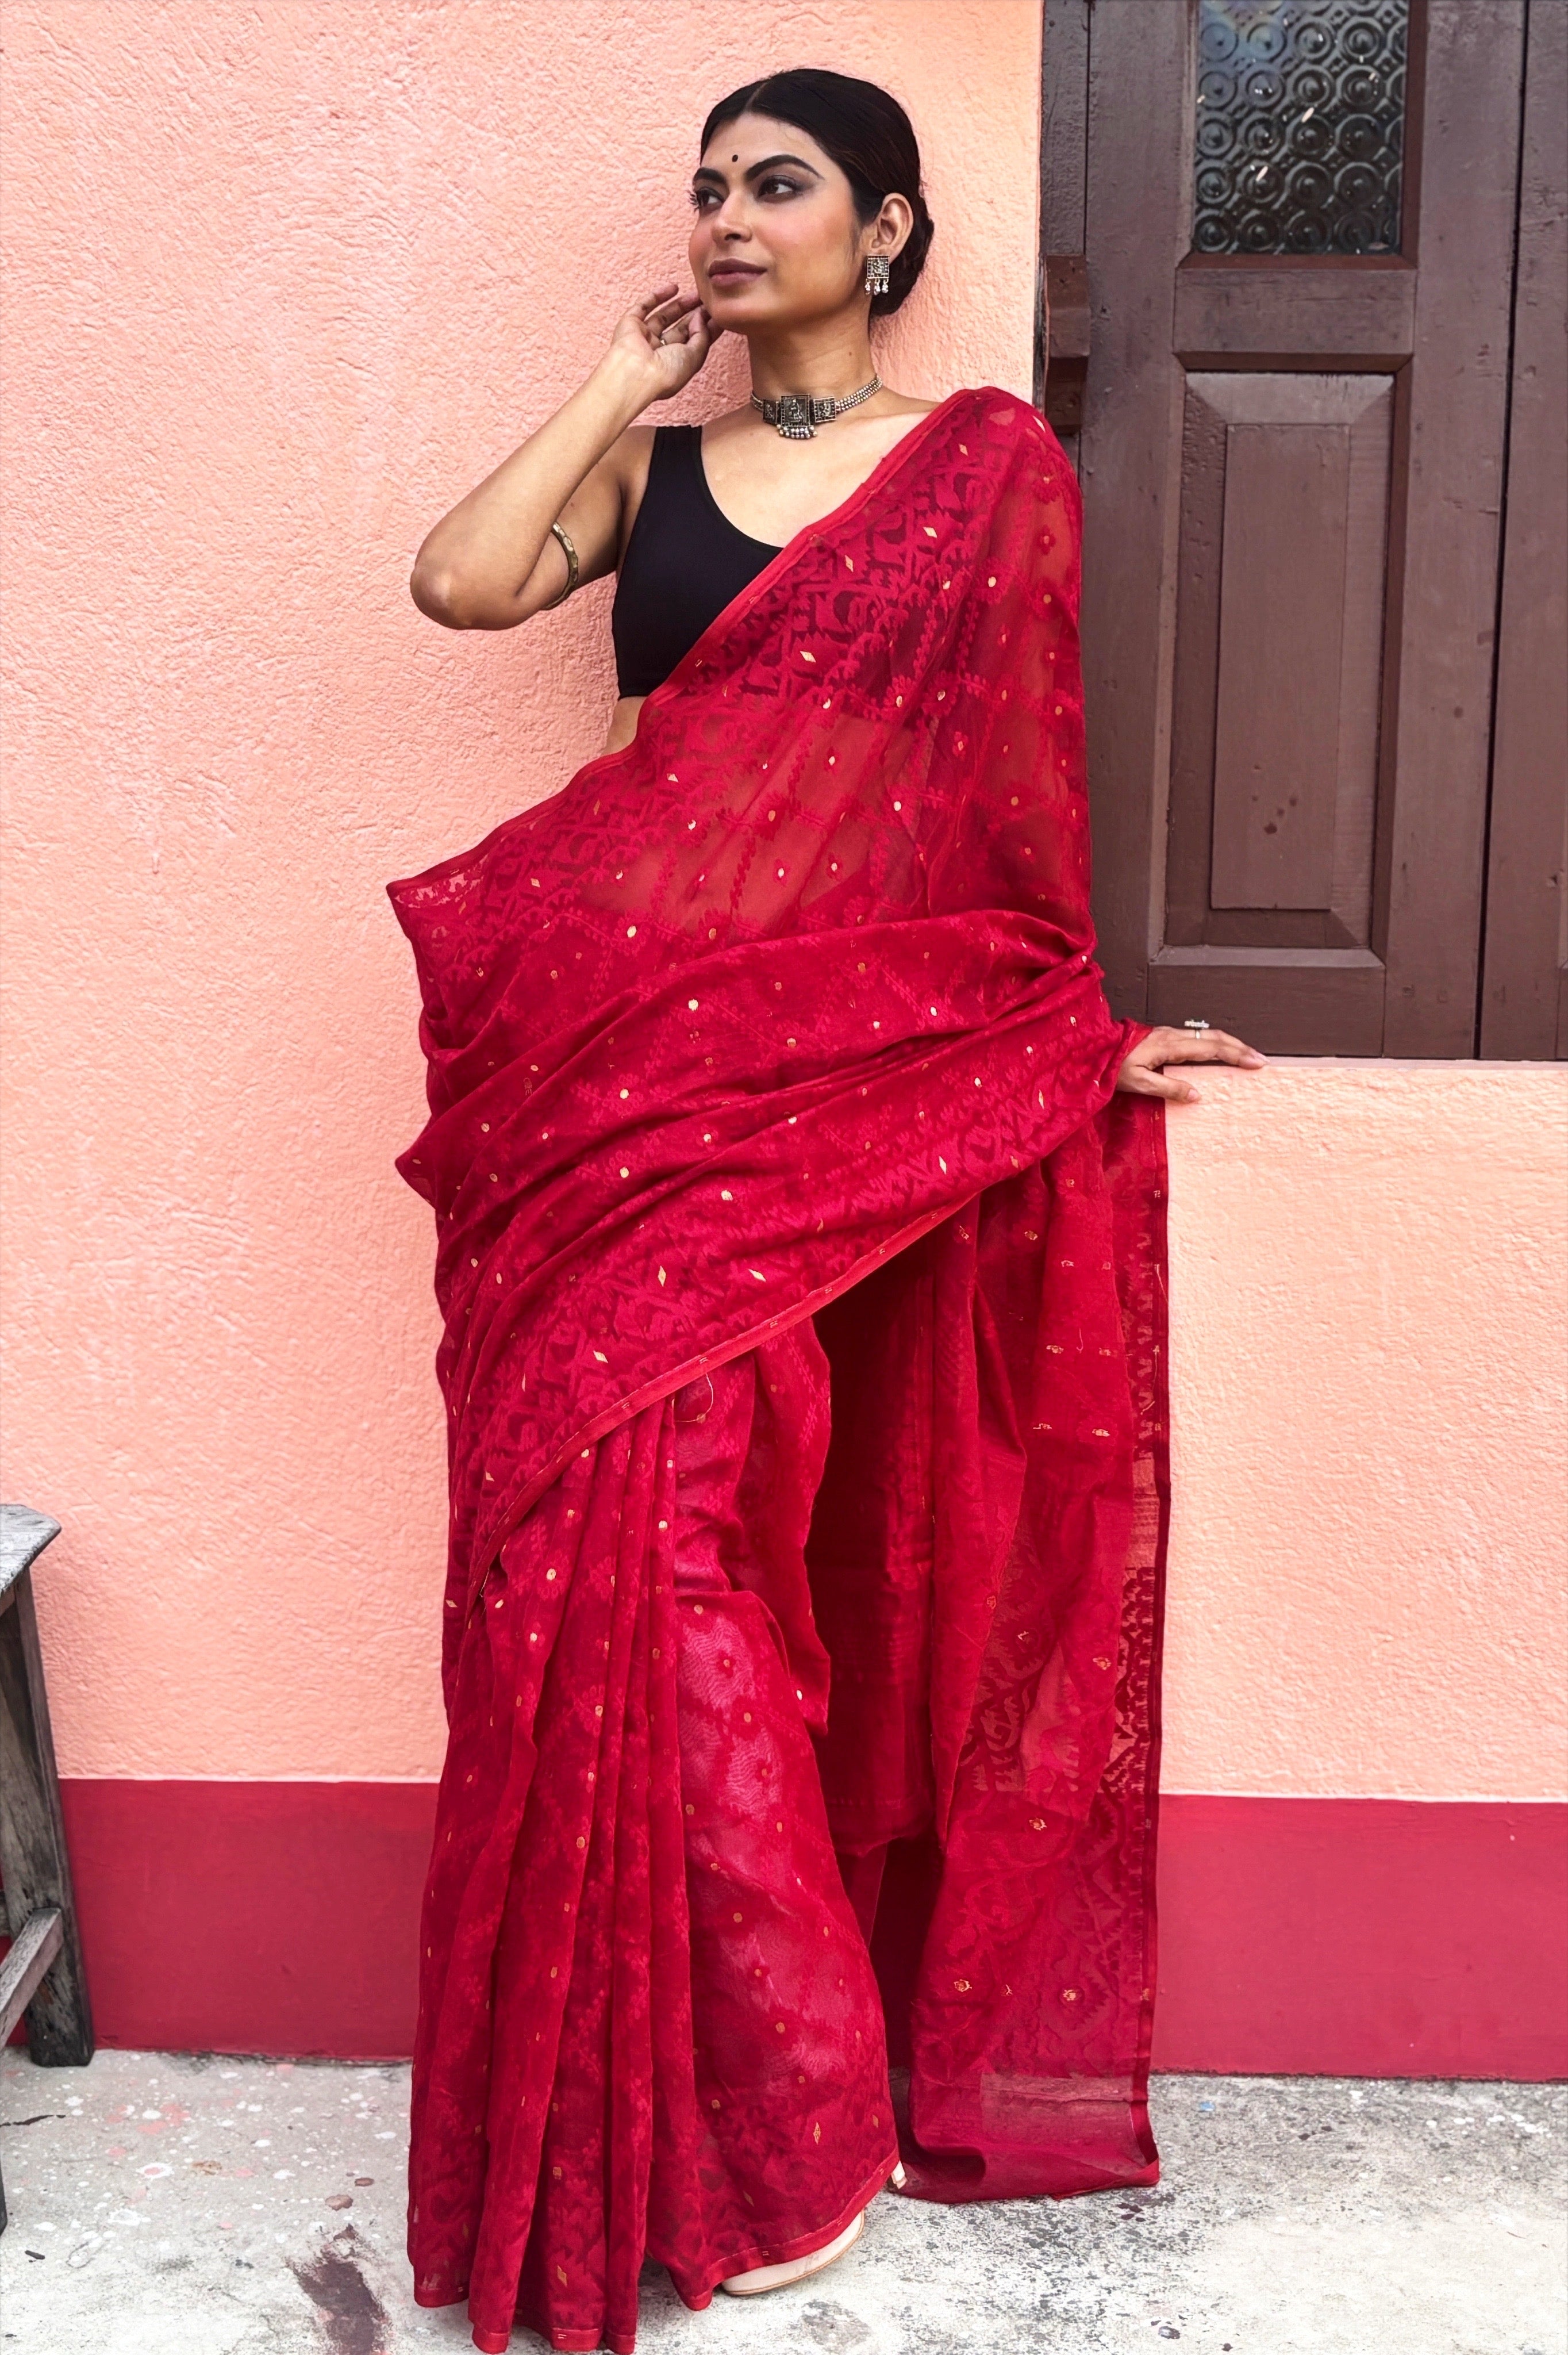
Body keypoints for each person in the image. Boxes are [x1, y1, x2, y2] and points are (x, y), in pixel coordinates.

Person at [391, 68, 1265, 2355]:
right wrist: (614, 373)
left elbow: (1005, 806)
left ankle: (798, 2115)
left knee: (700, 1562)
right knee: (595, 1561)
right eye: (706, 184)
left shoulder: (980, 475)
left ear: (885, 230)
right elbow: (460, 579)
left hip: (819, 1114)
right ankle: (700, 2094)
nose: (729, 213)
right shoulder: (658, 476)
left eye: (775, 183)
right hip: (605, 1104)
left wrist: (1076, 1038)